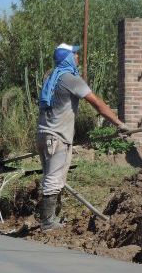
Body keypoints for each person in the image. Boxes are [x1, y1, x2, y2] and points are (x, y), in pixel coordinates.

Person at [36, 43, 128, 230]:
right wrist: (119, 124)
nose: (78, 57)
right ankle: (47, 222)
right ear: (68, 58)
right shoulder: (71, 79)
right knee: (53, 179)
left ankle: (52, 217)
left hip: (44, 134)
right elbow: (98, 104)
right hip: (57, 137)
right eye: (75, 54)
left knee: (51, 177)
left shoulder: (51, 77)